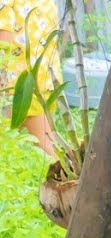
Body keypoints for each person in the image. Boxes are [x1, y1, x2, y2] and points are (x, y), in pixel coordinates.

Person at [0, 0, 61, 156]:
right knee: (45, 143)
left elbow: (3, 41)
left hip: (20, 86)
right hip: (45, 79)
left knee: (46, 149)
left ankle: (80, 179)